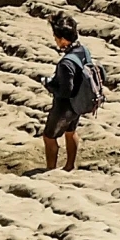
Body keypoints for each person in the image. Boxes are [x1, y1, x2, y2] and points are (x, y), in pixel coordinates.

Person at [39, 13, 94, 172]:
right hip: (79, 103)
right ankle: (69, 166)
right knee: (70, 132)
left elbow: (65, 92)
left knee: (49, 137)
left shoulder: (65, 63)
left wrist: (49, 84)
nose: (55, 40)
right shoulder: (83, 50)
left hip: (65, 107)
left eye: (56, 37)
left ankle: (50, 170)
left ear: (63, 39)